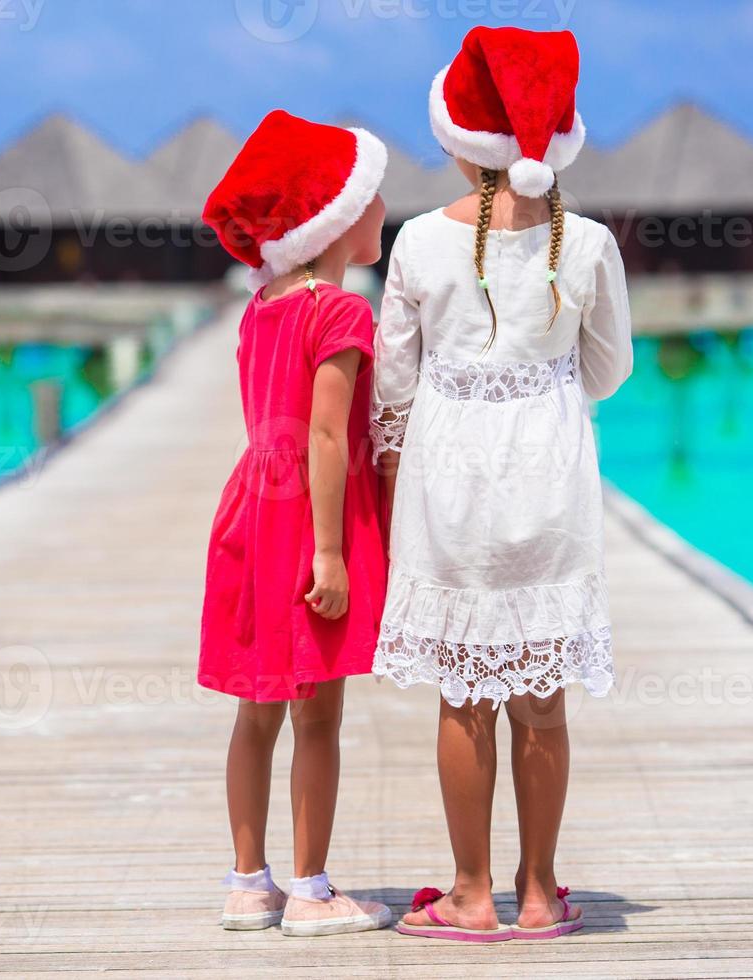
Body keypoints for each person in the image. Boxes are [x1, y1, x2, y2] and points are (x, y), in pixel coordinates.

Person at [370, 27, 634, 942]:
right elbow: (608, 371)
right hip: (552, 476)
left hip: (451, 477)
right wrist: (541, 383)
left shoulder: (414, 245)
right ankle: (537, 891)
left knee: (463, 692)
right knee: (543, 696)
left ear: (457, 138)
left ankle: (470, 892)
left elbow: (393, 383)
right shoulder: (590, 242)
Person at [198, 111, 393, 938]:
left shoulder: (261, 308)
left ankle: (249, 884)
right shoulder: (342, 315)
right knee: (319, 713)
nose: (385, 210)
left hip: (249, 506)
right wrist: (329, 551)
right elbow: (324, 433)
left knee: (255, 711)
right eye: (373, 197)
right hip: (307, 520)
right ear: (339, 220)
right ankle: (312, 891)